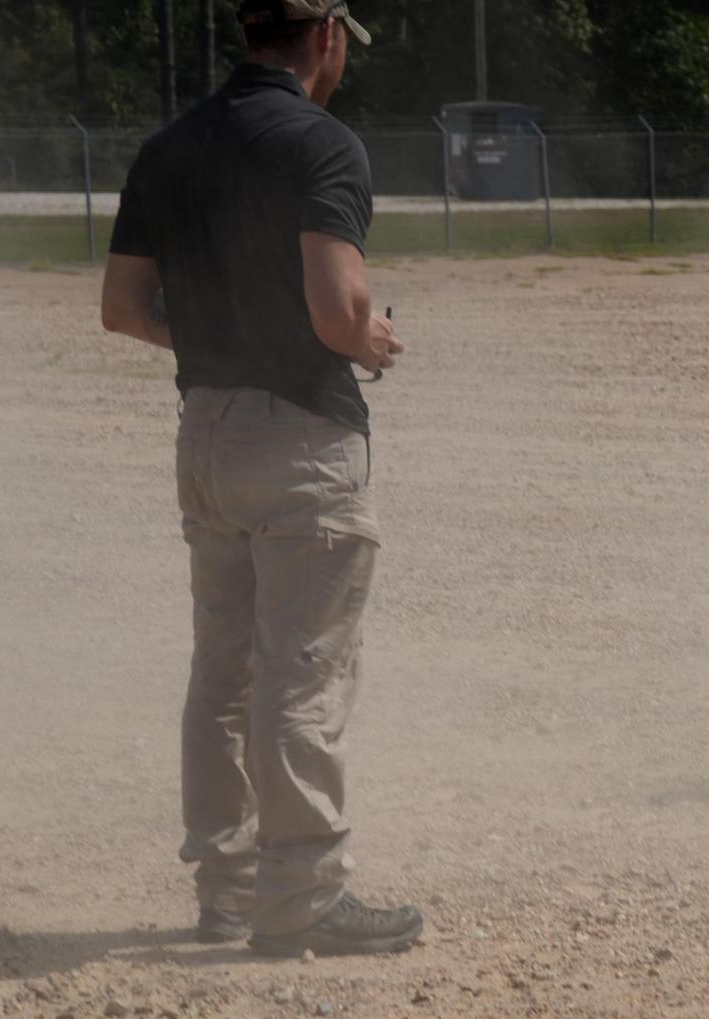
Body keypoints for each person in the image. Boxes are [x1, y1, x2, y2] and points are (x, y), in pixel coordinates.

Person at [100, 0, 422, 956]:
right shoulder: (322, 145)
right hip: (300, 437)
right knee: (304, 674)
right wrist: (371, 338)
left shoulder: (171, 145)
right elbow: (334, 311)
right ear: (327, 34)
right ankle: (304, 896)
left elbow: (122, 306)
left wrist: (204, 336)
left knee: (224, 672)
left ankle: (230, 888)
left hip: (205, 431)